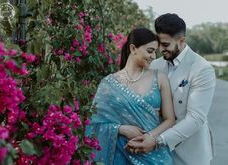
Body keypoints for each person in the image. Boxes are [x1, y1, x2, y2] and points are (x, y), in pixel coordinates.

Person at [126, 13, 216, 165]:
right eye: (158, 43)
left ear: (181, 41)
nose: (160, 49)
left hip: (190, 155)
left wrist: (157, 140)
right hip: (156, 154)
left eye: (166, 45)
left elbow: (195, 119)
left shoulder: (201, 69)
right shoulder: (155, 65)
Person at [86, 28, 176, 165]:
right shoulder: (108, 84)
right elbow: (94, 124)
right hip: (121, 155)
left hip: (155, 155)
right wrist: (120, 129)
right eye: (150, 51)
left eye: (155, 52)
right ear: (133, 49)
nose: (154, 57)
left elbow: (170, 119)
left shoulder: (160, 78)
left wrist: (150, 137)